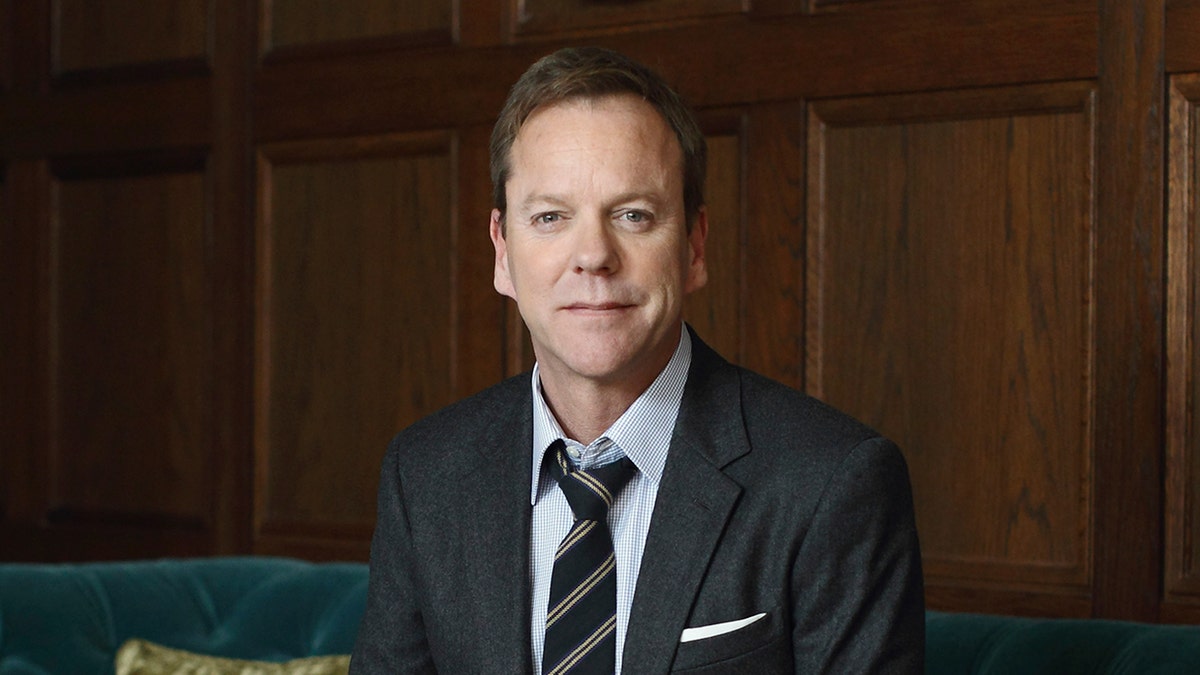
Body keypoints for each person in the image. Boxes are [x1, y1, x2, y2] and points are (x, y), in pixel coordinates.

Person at [350, 46, 924, 674]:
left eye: (633, 215)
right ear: (502, 252)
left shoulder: (832, 484)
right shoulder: (427, 475)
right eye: (550, 217)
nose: (593, 255)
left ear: (694, 245)